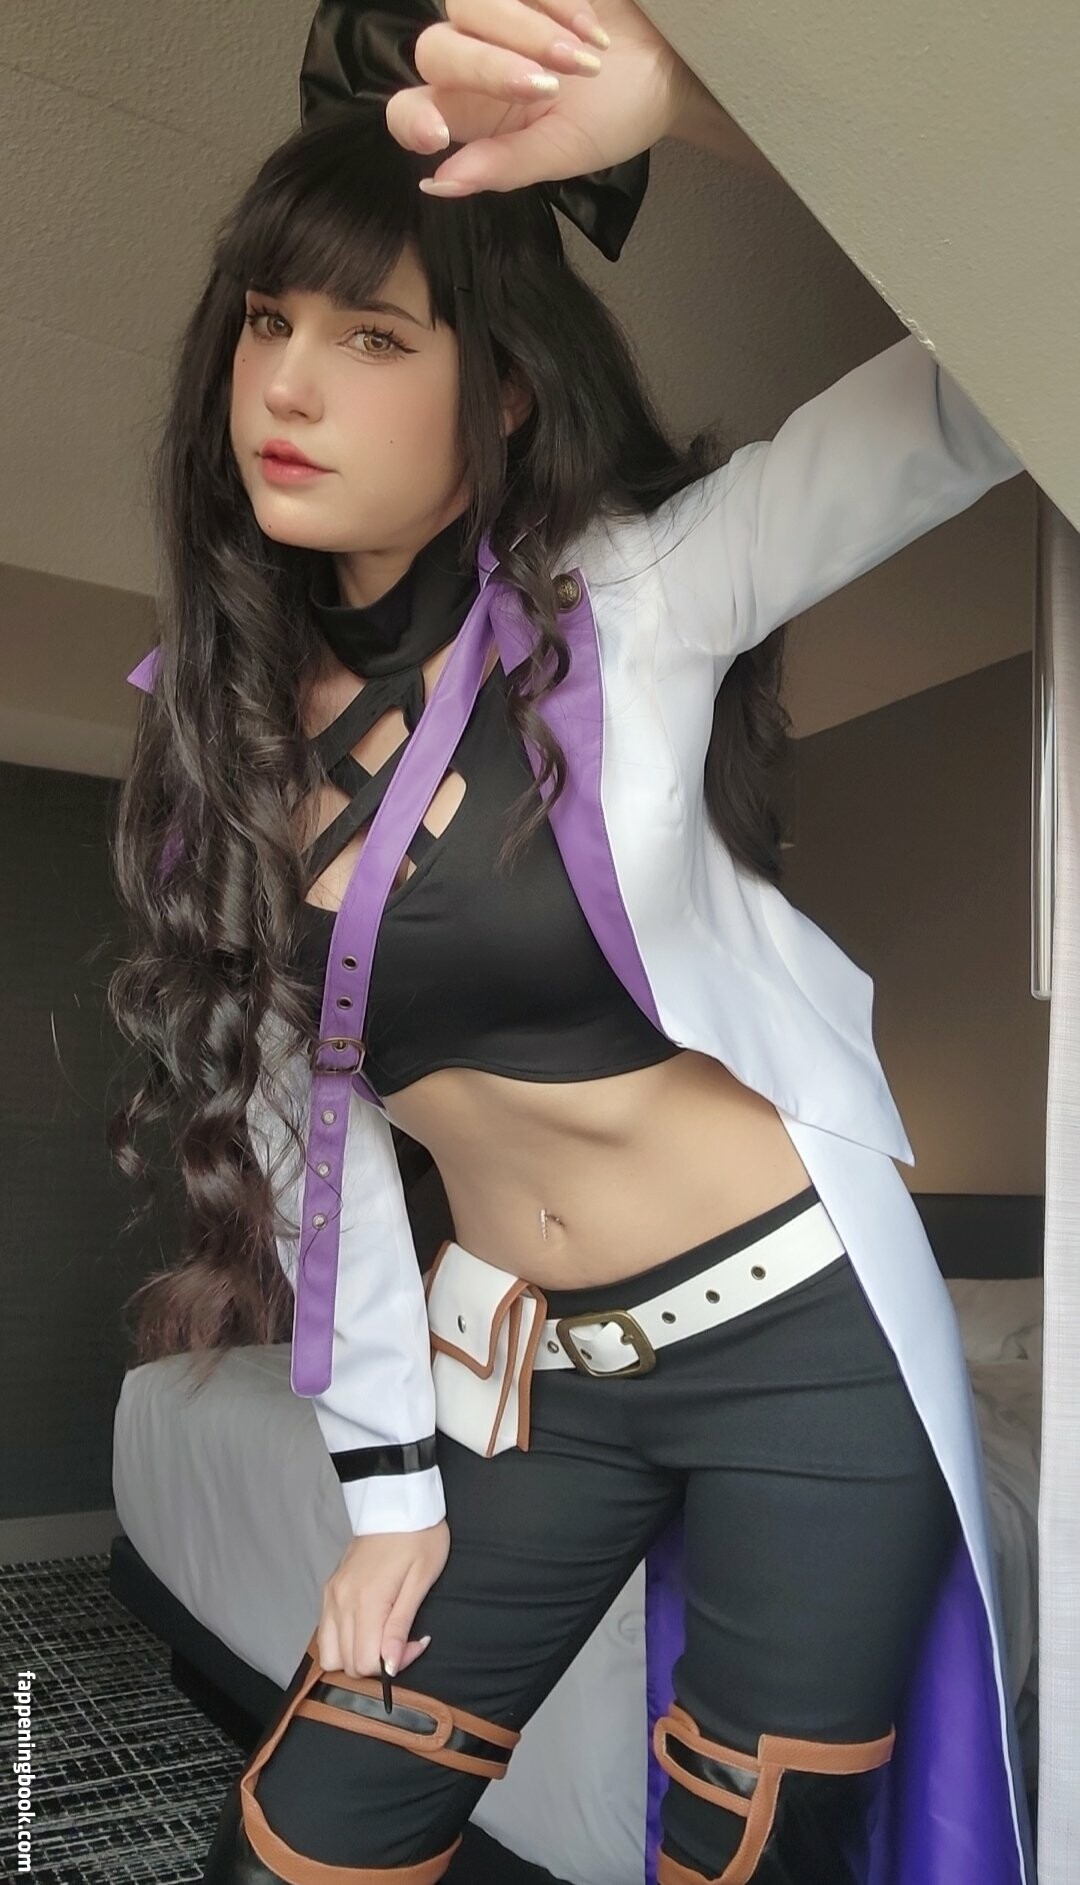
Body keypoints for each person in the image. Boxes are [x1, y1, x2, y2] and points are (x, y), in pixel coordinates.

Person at [111, 3, 1034, 1882]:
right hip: (525, 1378)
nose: (290, 383)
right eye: (270, 322)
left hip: (804, 1352)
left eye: (374, 336)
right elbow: (320, 1150)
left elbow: (1004, 359)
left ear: (507, 393)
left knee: (749, 1857)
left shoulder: (643, 595)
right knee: (300, 1839)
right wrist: (388, 1489)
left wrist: (695, 105)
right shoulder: (229, 734)